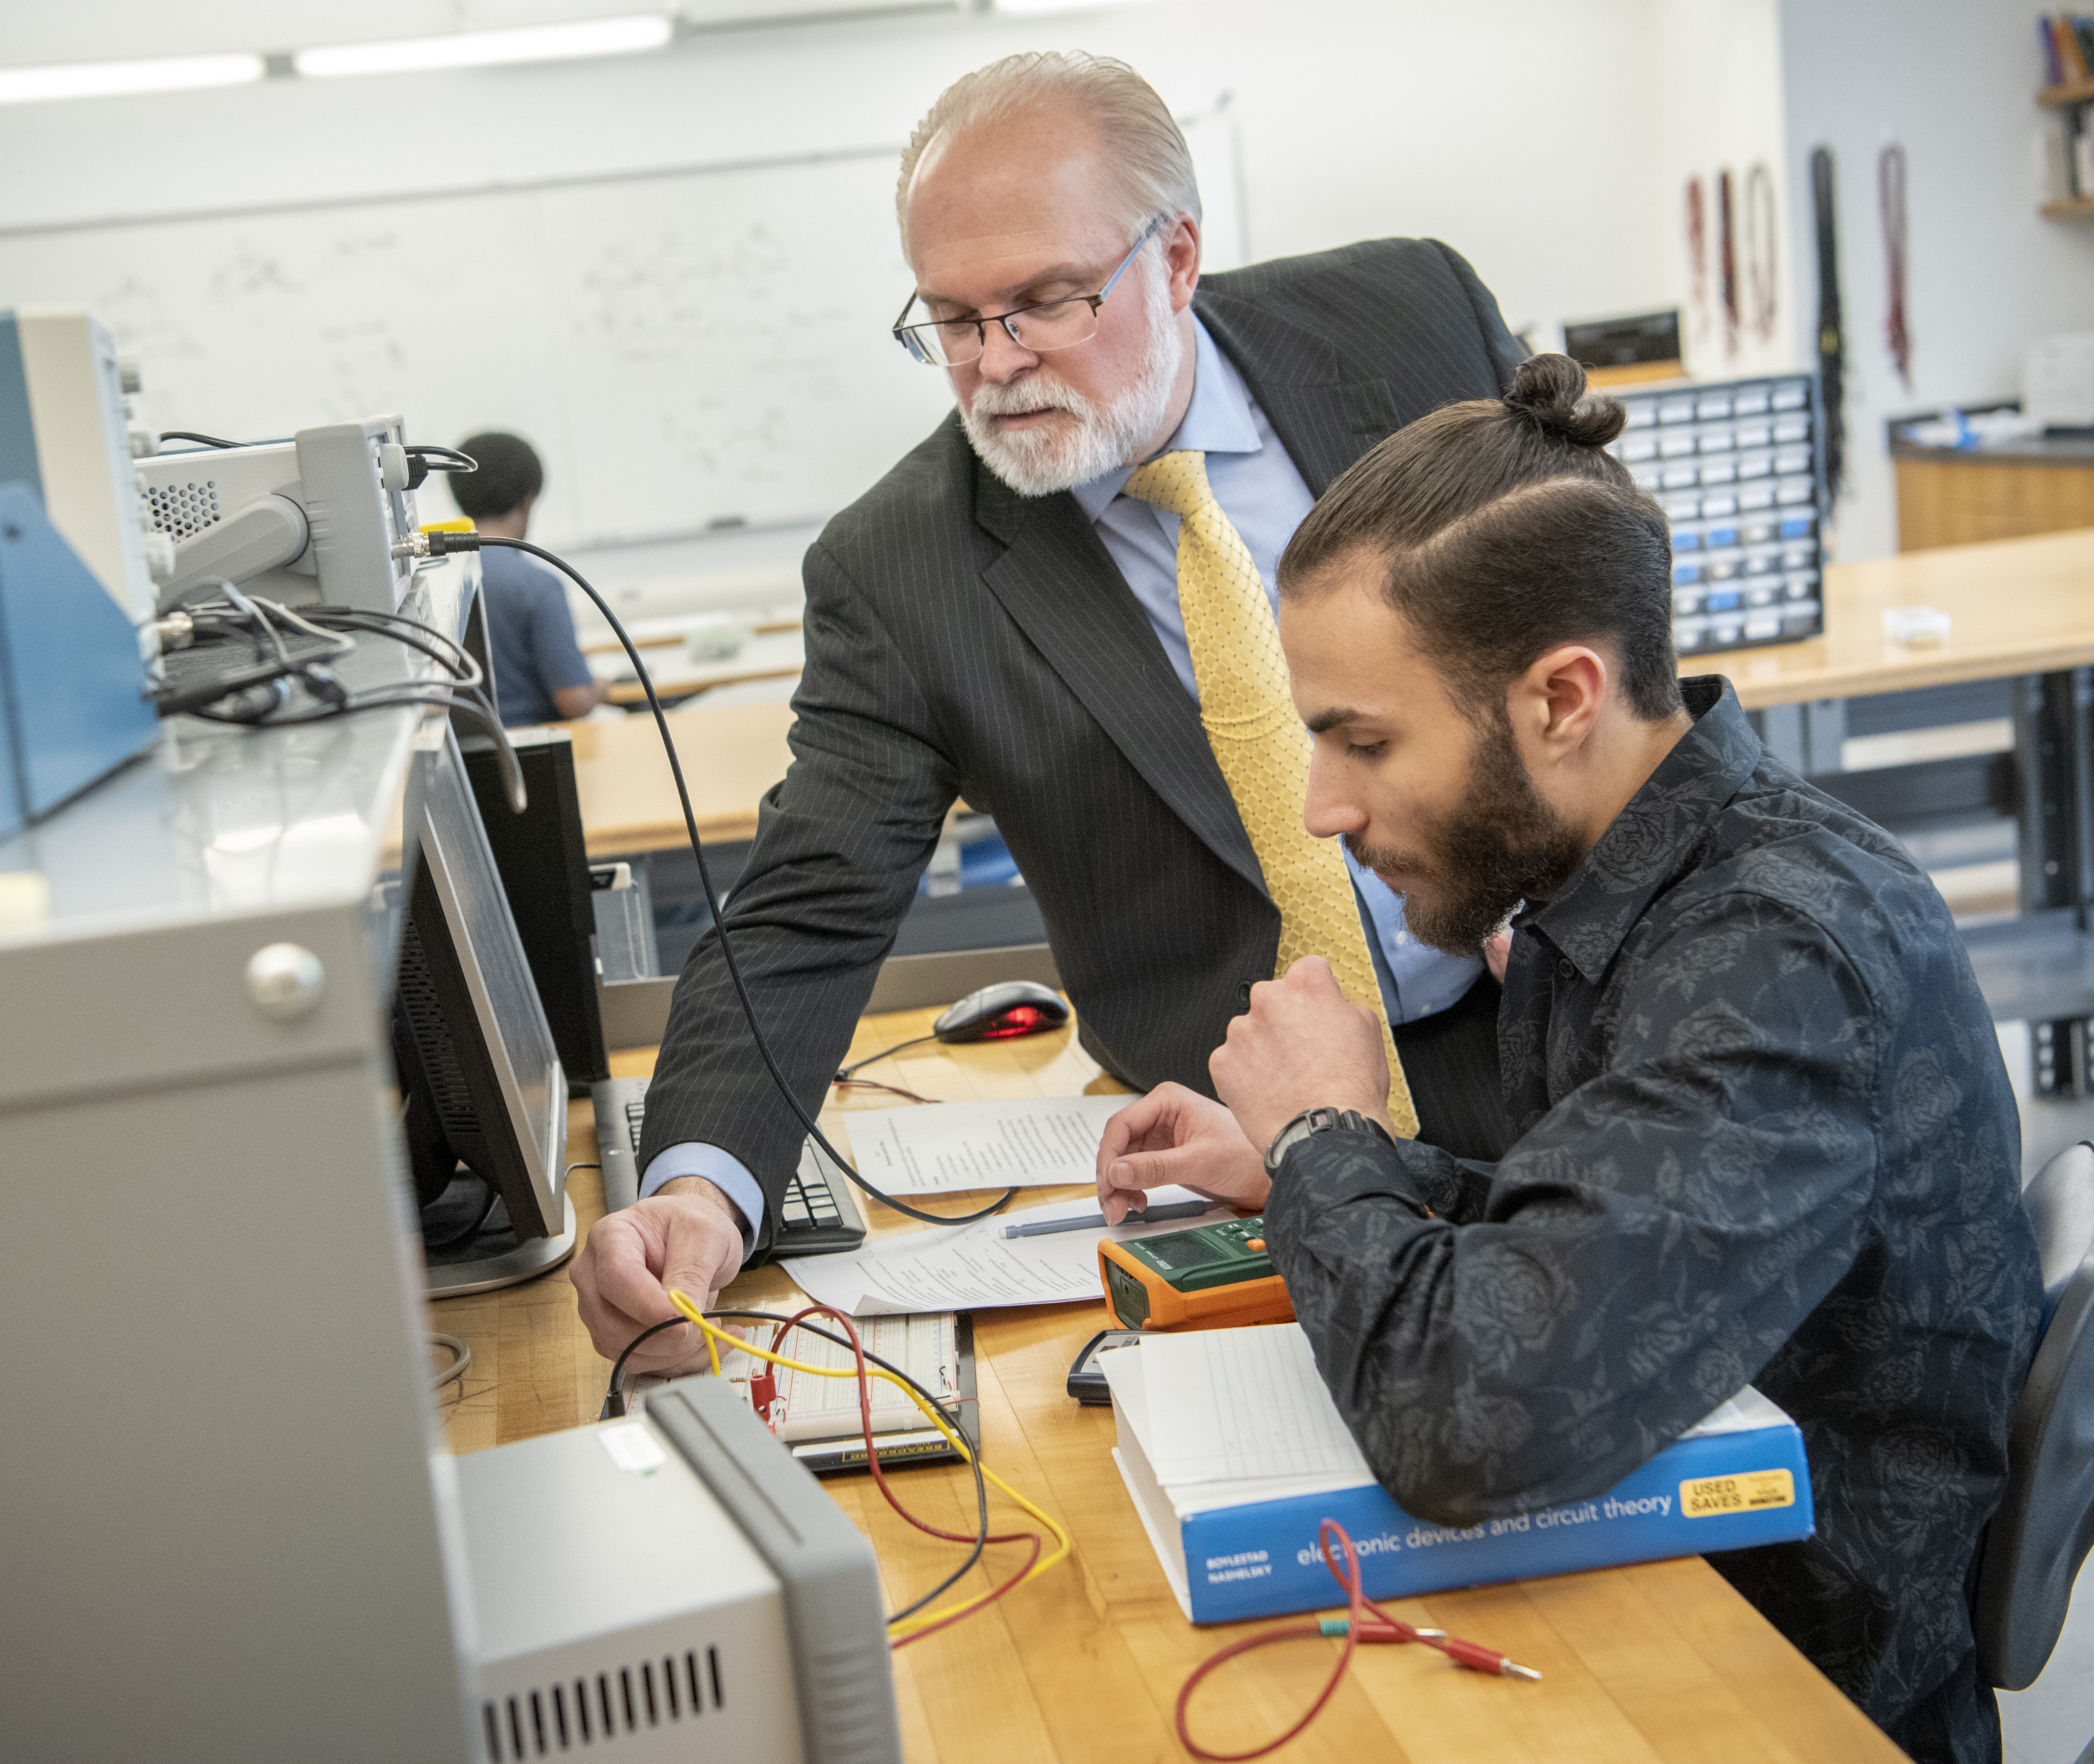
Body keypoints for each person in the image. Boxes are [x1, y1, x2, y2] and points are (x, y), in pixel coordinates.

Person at [1090, 355, 2039, 1764]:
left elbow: (1470, 1423)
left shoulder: (1768, 953)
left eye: (1363, 740)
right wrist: (1338, 1176)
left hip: (1773, 1684)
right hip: (1668, 1586)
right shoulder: (1630, 891)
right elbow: (1615, 1241)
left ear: (1559, 699)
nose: (1322, 806)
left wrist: (1321, 1143)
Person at [571, 51, 1528, 1369]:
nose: (997, 365)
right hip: (1230, 1140)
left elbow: (1595, 621)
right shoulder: (903, 566)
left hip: (1559, 1020)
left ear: (1176, 257)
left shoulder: (1405, 320)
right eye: (952, 322)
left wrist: (1592, 895)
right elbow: (809, 903)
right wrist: (697, 1187)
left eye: (1045, 303)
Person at [449, 430, 606, 724]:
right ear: (529, 502)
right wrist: (601, 688)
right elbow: (574, 700)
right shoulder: (537, 585)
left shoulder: (439, 578)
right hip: (534, 754)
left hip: (467, 760)